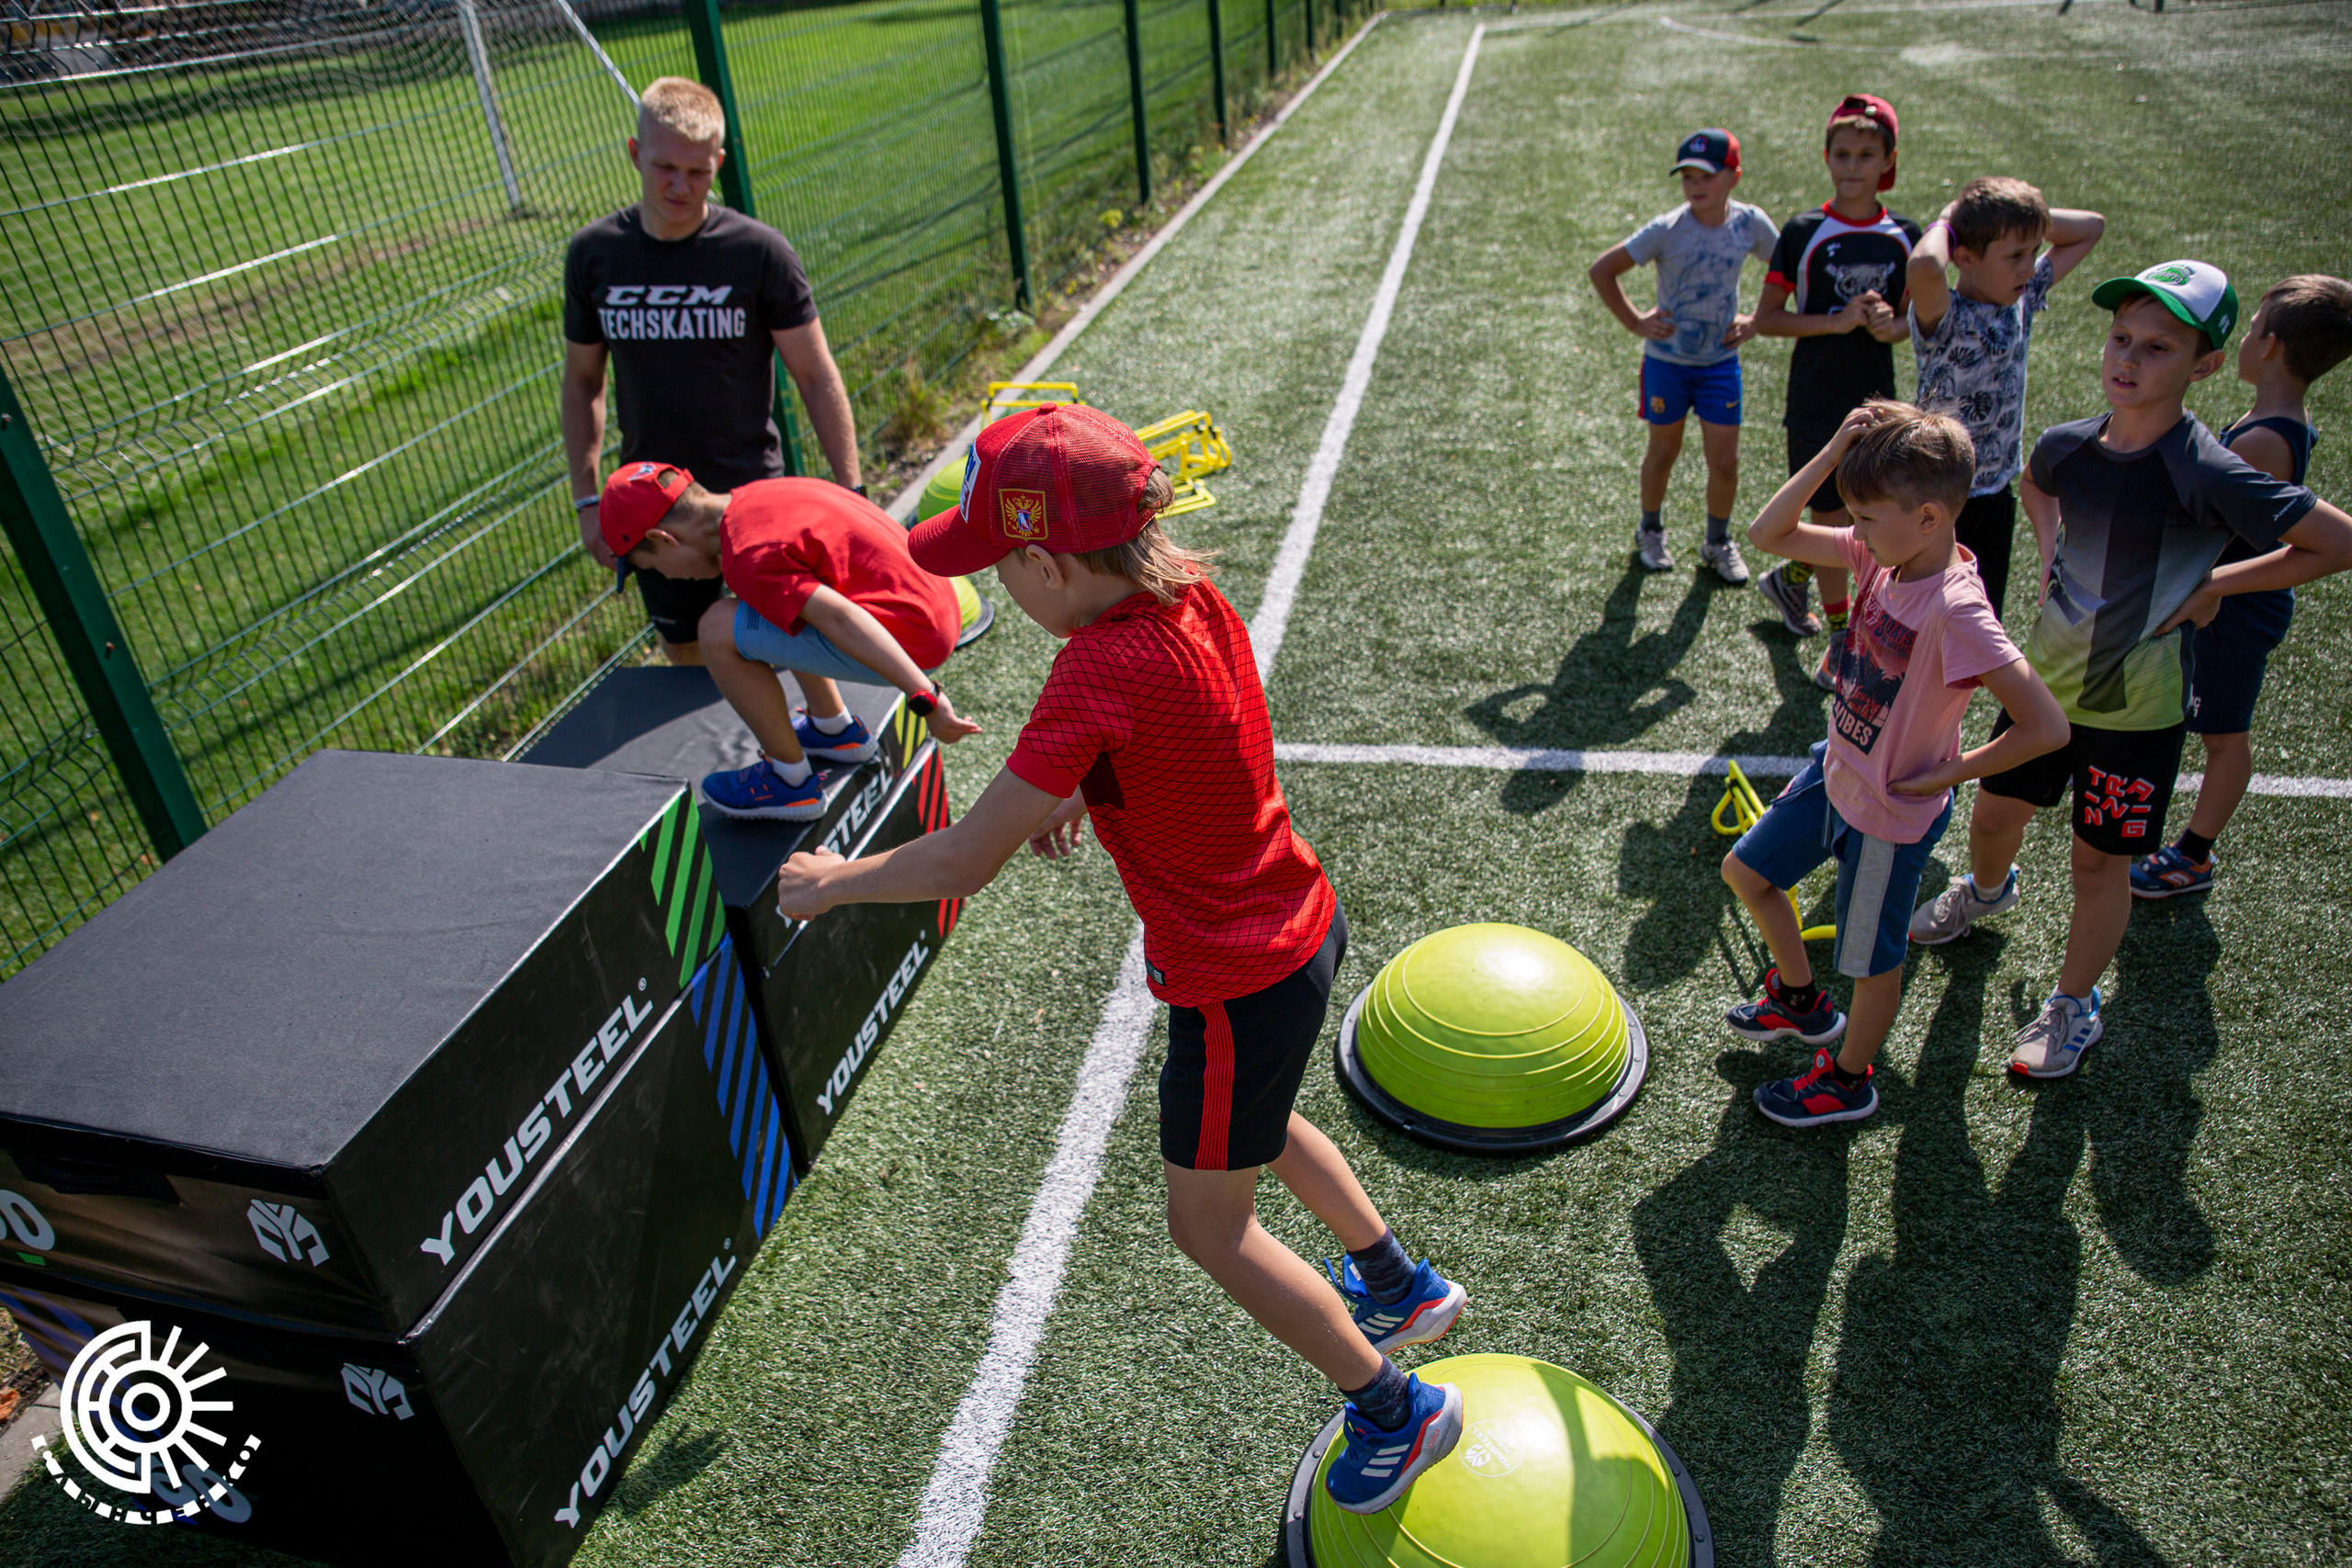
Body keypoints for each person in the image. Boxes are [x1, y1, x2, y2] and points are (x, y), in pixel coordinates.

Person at [769, 403, 1470, 1514]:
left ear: (1047, 563)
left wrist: (832, 882)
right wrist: (1089, 794)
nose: (1000, 584)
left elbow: (961, 862)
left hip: (1235, 976)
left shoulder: (1094, 672)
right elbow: (1190, 740)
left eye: (1003, 565)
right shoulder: (1188, 590)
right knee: (1256, 1118)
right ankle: (1399, 1281)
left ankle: (1396, 1405)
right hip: (1296, 923)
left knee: (1209, 1228)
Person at [1908, 261, 2352, 1077]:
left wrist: (2216, 580)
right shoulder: (2069, 446)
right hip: (2042, 693)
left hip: (2137, 717)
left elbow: (2337, 540)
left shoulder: (2210, 470)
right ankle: (1985, 889)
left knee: (2095, 862)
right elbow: (2038, 482)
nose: (2129, 358)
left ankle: (2072, 1003)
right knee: (1995, 816)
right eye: (2121, 338)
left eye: (2158, 347)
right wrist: (2048, 546)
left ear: (2206, 364)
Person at [1728, 401, 2067, 1127]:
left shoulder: (1959, 609)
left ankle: (1849, 1078)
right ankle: (1797, 999)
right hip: (1836, 771)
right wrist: (1833, 450)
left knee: (1869, 961)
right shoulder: (1877, 553)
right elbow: (1767, 534)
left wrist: (1949, 773)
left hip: (1888, 813)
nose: (1854, 529)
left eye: (1868, 515)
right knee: (1747, 874)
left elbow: (2046, 726)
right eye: (1852, 514)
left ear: (1932, 517)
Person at [563, 76, 865, 666]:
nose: (680, 186)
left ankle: (800, 754)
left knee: (784, 648)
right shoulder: (594, 254)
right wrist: (586, 500)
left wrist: (851, 492)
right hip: (653, 511)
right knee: (686, 653)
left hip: (751, 496)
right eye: (664, 167)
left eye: (698, 172)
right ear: (634, 154)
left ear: (719, 163)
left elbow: (815, 374)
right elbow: (582, 382)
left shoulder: (758, 252)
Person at [2132, 275, 2352, 898]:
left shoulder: (2263, 440)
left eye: (2253, 328)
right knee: (2210, 726)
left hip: (2235, 613)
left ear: (2274, 346)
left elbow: (2216, 518)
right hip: (2225, 603)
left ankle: (2192, 857)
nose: (2246, 337)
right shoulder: (2271, 418)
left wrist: (2210, 582)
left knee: (2225, 736)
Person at [597, 462, 978, 821]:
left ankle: (789, 781)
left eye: (652, 569)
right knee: (770, 604)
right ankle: (834, 729)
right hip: (937, 606)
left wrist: (925, 697)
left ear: (661, 538)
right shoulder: (757, 497)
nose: (667, 578)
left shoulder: (747, 555)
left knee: (716, 628)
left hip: (914, 640)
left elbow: (840, 617)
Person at [1753, 94, 1920, 691]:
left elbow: (1917, 322)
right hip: (1818, 397)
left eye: (1866, 154)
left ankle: (1795, 581)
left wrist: (1889, 327)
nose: (1852, 165)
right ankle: (1843, 636)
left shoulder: (1905, 234)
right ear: (1827, 158)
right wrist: (1835, 321)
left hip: (1880, 399)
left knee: (1869, 516)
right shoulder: (1802, 231)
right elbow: (1768, 317)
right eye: (1842, 154)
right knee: (1831, 516)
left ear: (1887, 160)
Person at [1906, 177, 2106, 618]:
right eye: (2015, 256)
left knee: (1978, 617)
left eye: (2033, 253)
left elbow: (2092, 227)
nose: (2029, 268)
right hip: (1935, 496)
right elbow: (1923, 265)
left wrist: (2024, 223)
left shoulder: (2022, 298)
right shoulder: (1946, 313)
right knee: (1919, 618)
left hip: (1995, 493)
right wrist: (1948, 219)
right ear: (1964, 257)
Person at [1587, 128, 1780, 581]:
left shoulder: (1749, 224)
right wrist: (1635, 322)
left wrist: (1756, 320)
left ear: (1734, 177)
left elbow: (1789, 267)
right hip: (1668, 365)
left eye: (1706, 176)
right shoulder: (1667, 228)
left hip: (1719, 364)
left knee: (1725, 459)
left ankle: (1717, 541)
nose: (1695, 186)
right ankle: (1650, 529)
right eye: (1687, 176)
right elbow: (1602, 270)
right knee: (1663, 450)